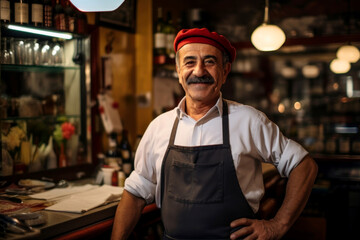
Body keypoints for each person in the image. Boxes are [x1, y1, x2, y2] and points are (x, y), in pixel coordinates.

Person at [111, 28, 318, 240]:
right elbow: (135, 192)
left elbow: (304, 165)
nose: (199, 71)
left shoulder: (249, 121)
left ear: (225, 71)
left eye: (209, 61)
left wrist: (277, 225)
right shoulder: (159, 127)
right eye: (189, 62)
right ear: (178, 70)